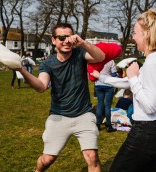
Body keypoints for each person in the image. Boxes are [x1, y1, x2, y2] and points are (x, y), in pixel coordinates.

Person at [91, 8, 156, 171]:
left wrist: (134, 76)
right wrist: (101, 77)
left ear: (147, 34)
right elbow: (127, 83)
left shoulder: (154, 62)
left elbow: (151, 106)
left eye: (135, 33)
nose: (133, 37)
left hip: (148, 133)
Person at [16, 22, 105, 172]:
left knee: (92, 156)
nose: (66, 41)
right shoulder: (48, 64)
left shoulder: (80, 54)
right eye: (62, 37)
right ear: (53, 40)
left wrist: (82, 42)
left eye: (69, 37)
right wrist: (22, 70)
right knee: (47, 159)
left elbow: (100, 57)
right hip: (59, 116)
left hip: (84, 114)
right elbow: (41, 86)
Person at [95, 60, 117, 132]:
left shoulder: (96, 59)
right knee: (108, 106)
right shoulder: (111, 61)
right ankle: (108, 125)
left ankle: (98, 124)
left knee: (100, 104)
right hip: (108, 84)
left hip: (98, 84)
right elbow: (114, 74)